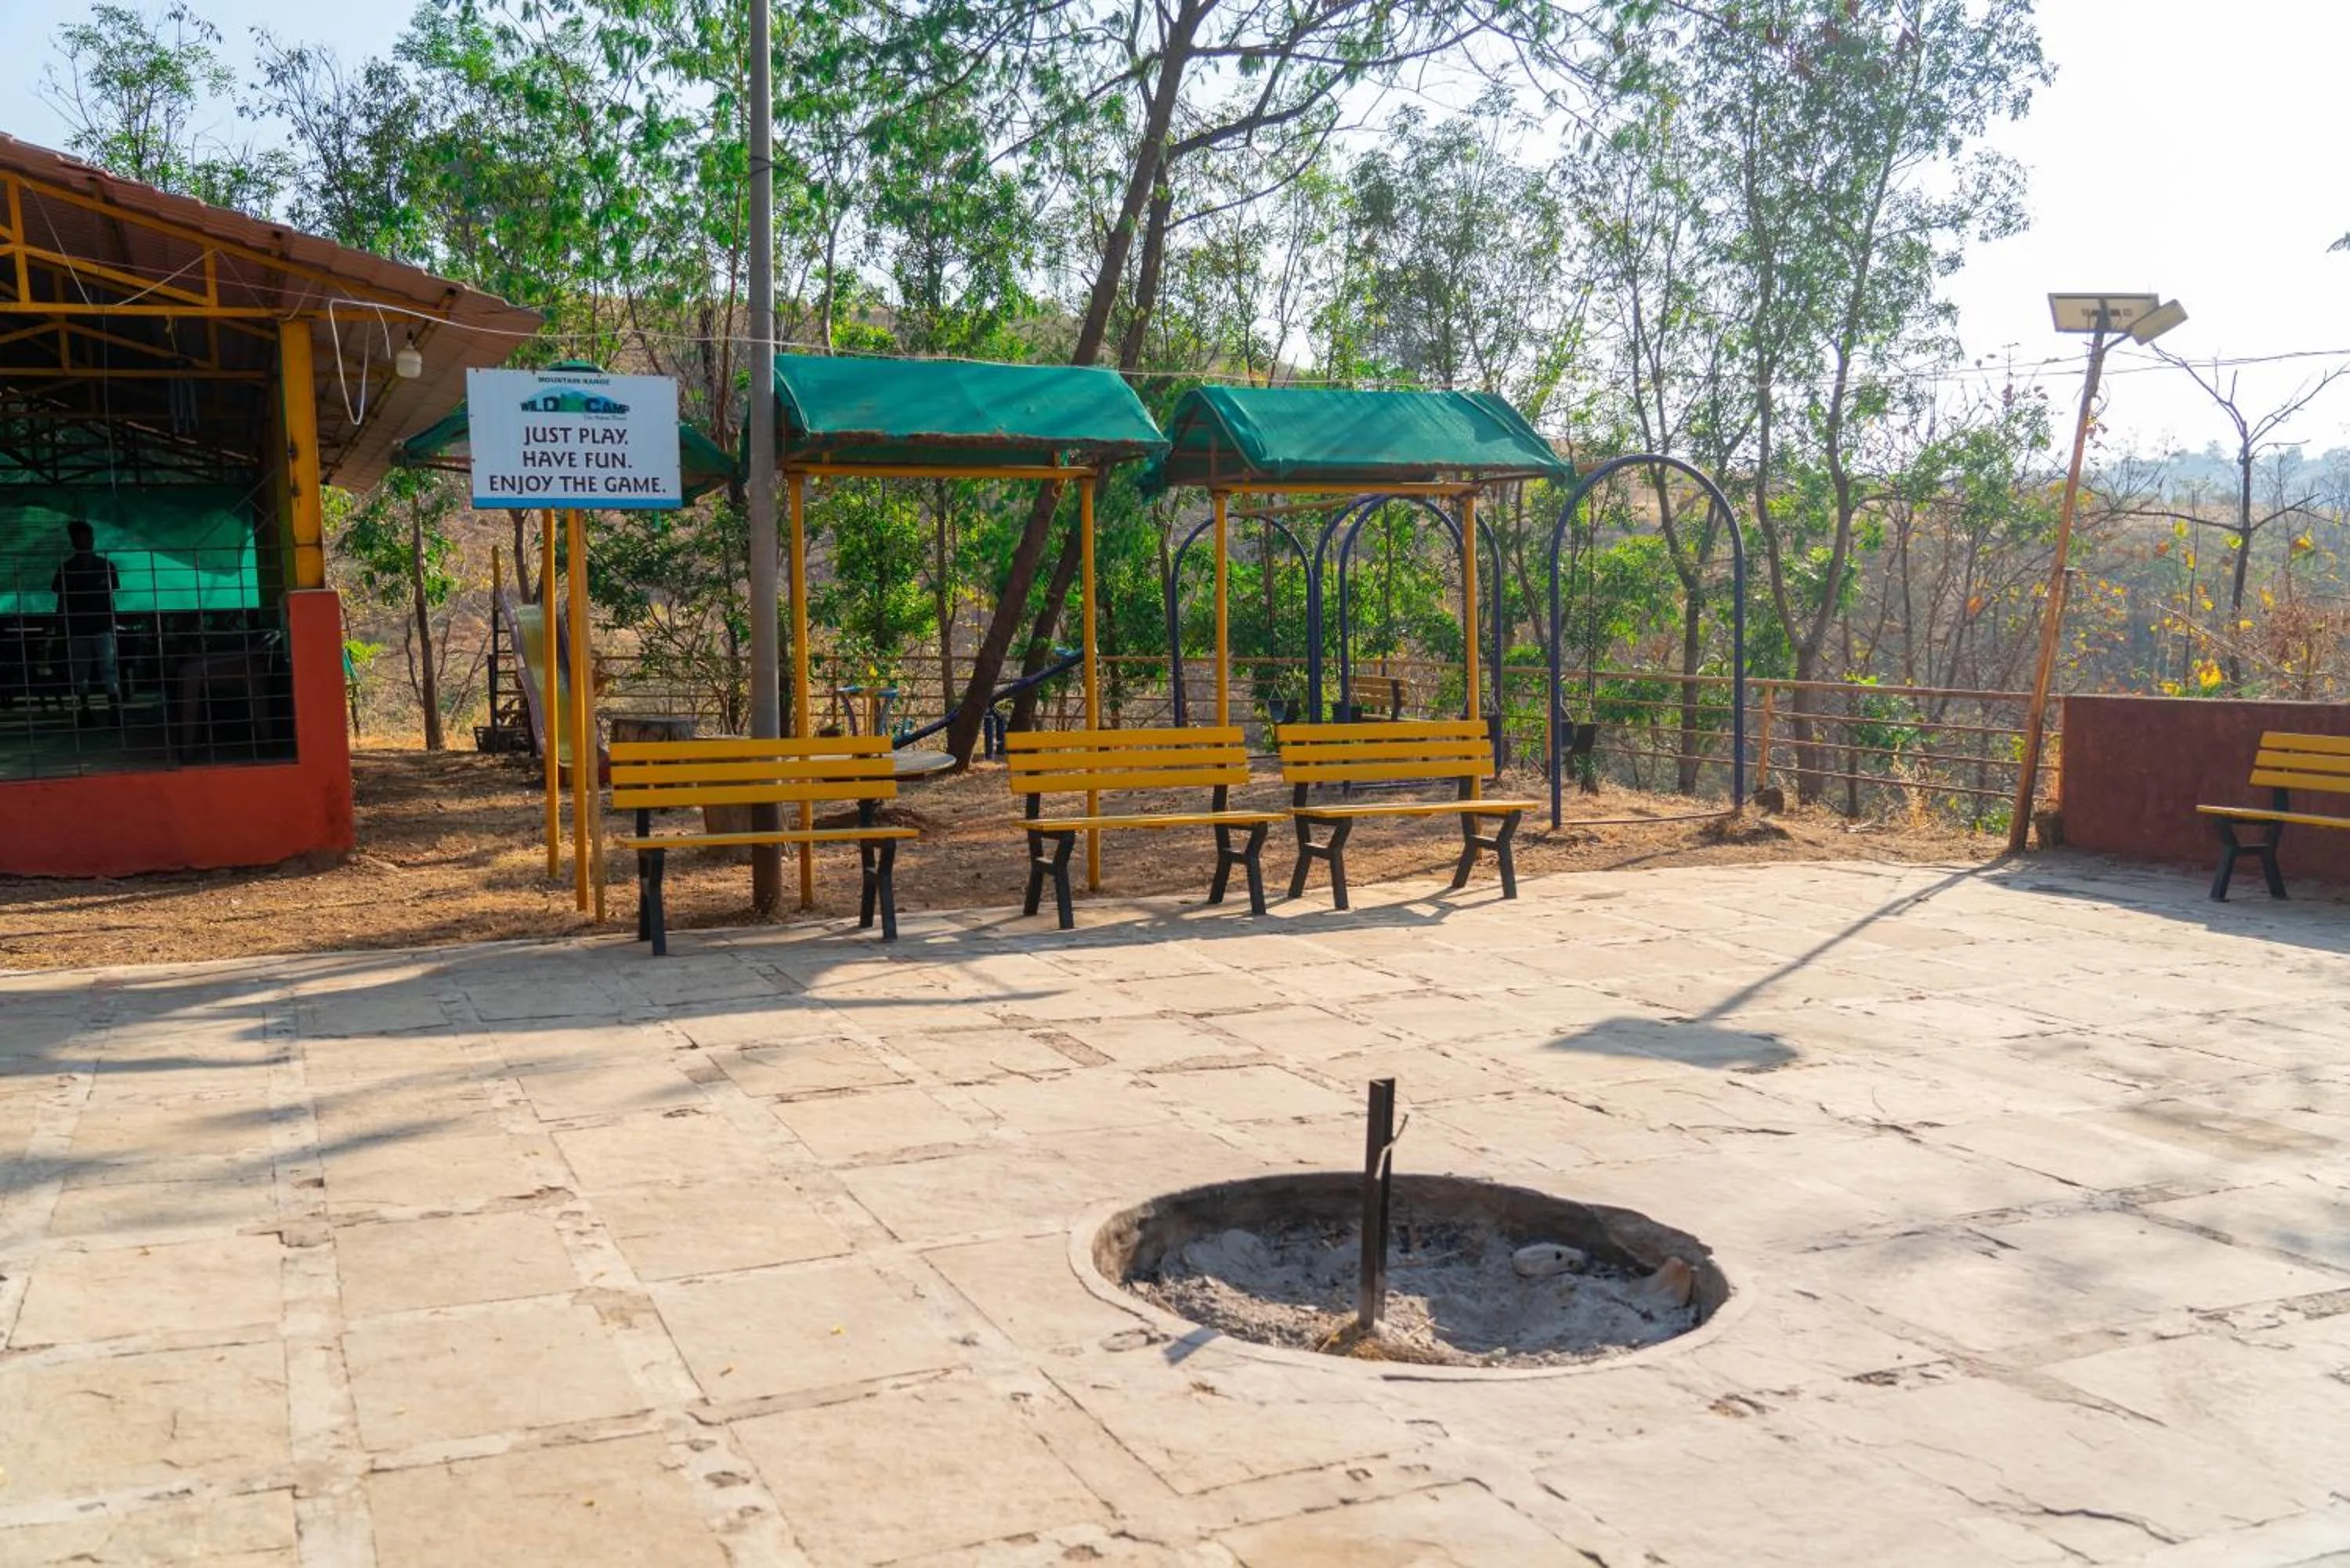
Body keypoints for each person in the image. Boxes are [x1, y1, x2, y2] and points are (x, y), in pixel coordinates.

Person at [51, 520, 121, 726]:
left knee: (108, 669)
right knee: (82, 672)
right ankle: (85, 710)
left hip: (102, 627)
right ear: (75, 543)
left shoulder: (106, 566)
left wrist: (112, 622)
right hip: (78, 628)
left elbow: (111, 598)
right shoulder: (67, 568)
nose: (86, 544)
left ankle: (114, 711)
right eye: (81, 540)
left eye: (88, 539)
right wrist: (60, 626)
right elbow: (61, 599)